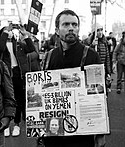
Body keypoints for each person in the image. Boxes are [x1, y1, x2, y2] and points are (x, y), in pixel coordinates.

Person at [38, 9, 104, 147]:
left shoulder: (91, 56)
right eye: (66, 25)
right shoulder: (49, 57)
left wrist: (100, 133)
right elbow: (42, 94)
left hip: (82, 130)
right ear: (57, 30)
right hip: (54, 129)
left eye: (74, 25)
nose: (71, 29)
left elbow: (98, 96)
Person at [0, 23, 36, 137]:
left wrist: (25, 35)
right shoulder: (0, 43)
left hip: (19, 74)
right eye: (6, 31)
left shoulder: (19, 45)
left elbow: (31, 49)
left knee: (19, 99)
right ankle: (6, 124)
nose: (9, 32)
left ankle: (16, 124)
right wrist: (5, 33)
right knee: (6, 99)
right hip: (6, 74)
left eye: (10, 31)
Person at [83, 23, 111, 92]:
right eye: (98, 30)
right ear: (94, 32)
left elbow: (107, 58)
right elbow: (85, 56)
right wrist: (92, 46)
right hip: (92, 71)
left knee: (102, 91)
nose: (100, 32)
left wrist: (108, 72)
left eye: (101, 30)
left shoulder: (104, 42)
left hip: (102, 70)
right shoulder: (87, 42)